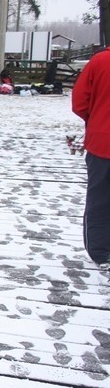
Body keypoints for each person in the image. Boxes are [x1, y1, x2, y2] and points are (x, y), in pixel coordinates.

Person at [72, 44, 110, 270]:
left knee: (99, 198)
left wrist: (94, 119)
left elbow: (79, 101)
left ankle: (99, 250)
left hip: (102, 141)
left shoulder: (99, 62)